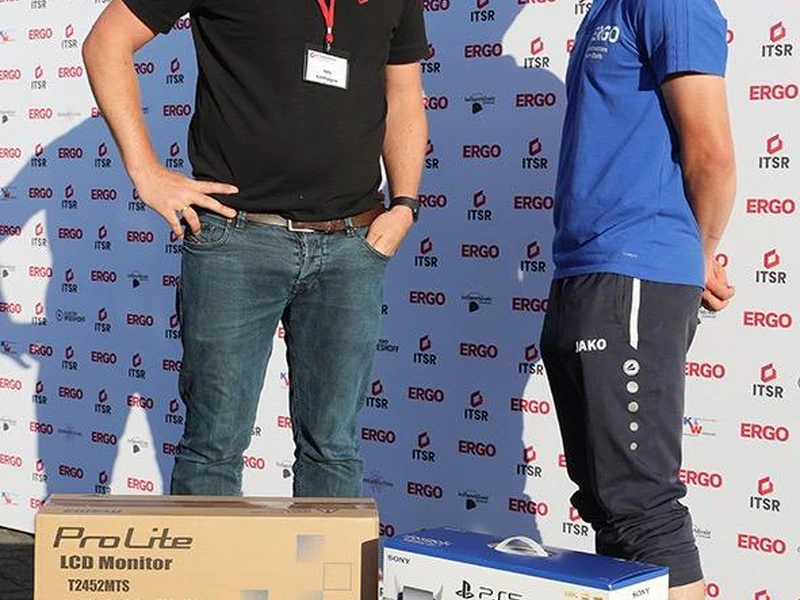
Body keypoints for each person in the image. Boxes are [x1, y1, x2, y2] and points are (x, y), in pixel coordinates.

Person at [82, 0, 427, 498]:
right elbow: (106, 42)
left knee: (334, 448)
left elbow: (404, 92)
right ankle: (208, 557)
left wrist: (406, 204)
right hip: (236, 240)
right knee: (213, 445)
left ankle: (323, 557)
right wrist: (145, 171)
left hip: (352, 243)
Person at [540, 0, 735, 598]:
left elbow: (712, 154)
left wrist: (700, 254)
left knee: (641, 505)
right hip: (582, 270)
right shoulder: (605, 8)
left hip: (634, 272)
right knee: (607, 502)